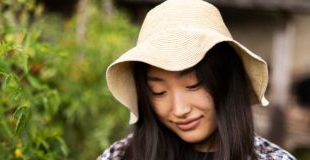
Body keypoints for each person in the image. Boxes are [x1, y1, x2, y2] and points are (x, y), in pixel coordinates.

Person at [98, 0, 296, 159]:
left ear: (226, 80)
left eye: (193, 85)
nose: (180, 110)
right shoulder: (119, 156)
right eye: (159, 92)